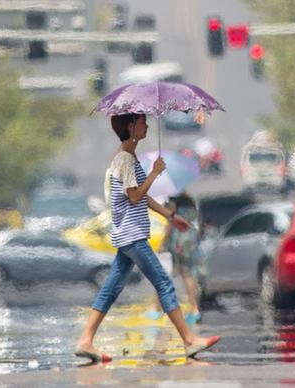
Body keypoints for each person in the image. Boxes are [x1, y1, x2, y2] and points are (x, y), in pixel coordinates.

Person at [75, 113, 220, 363]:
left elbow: (142, 197)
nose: (147, 126)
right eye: (143, 122)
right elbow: (133, 196)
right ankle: (188, 340)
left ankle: (85, 341)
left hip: (129, 234)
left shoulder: (128, 158)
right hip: (132, 234)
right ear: (131, 127)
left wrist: (170, 216)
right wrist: (154, 173)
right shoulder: (124, 159)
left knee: (111, 289)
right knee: (164, 282)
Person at [163, 193, 202, 324]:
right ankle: (195, 309)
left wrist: (163, 242)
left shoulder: (173, 203)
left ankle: (194, 309)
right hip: (191, 240)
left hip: (179, 240)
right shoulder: (191, 202)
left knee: (183, 275)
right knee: (190, 274)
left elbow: (170, 222)